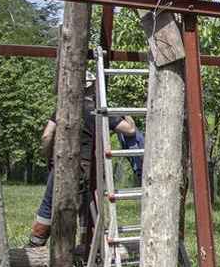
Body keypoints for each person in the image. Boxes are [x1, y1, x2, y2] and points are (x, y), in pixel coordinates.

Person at [28, 73, 140, 248]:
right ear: (94, 86)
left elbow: (47, 135)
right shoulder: (97, 110)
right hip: (88, 166)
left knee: (48, 205)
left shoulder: (62, 108)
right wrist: (124, 113)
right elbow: (130, 130)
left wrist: (49, 156)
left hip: (61, 164)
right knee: (87, 209)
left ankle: (35, 245)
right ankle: (85, 250)